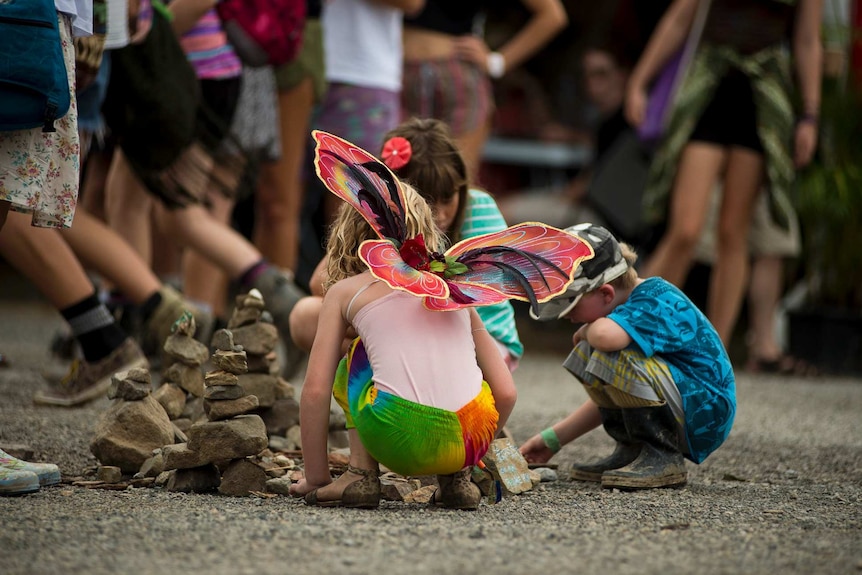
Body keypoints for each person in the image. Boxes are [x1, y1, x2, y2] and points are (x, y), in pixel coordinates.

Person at [288, 183, 517, 510]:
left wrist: (316, 478)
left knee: (357, 353)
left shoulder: (345, 291)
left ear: (351, 232)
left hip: (398, 436)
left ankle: (360, 475)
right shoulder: (456, 289)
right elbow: (506, 392)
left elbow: (314, 391)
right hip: (469, 437)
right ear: (428, 231)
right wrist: (474, 450)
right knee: (468, 373)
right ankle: (456, 480)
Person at [624, 0, 824, 346]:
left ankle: (714, 350)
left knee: (734, 233)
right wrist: (639, 81)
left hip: (759, 95)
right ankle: (632, 326)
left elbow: (807, 39)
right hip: (710, 87)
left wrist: (809, 115)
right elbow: (680, 17)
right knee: (685, 229)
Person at [290, 118, 523, 370]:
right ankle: (384, 397)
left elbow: (452, 303)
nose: (441, 214)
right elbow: (319, 282)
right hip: (413, 341)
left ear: (462, 188)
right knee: (307, 315)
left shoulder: (478, 210)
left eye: (448, 198)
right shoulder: (382, 218)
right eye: (428, 202)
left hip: (481, 348)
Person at [520, 223, 736, 489]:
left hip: (705, 409)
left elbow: (604, 338)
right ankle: (633, 449)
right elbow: (624, 392)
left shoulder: (653, 299)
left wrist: (588, 330)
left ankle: (662, 455)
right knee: (591, 354)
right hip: (683, 402)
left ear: (606, 294)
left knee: (606, 351)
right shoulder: (624, 309)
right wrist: (553, 439)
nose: (567, 316)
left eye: (572, 304)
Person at [400, 0, 568, 182]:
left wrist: (498, 62)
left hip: (456, 77)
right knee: (392, 183)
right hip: (396, 74)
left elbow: (553, 15)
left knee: (455, 183)